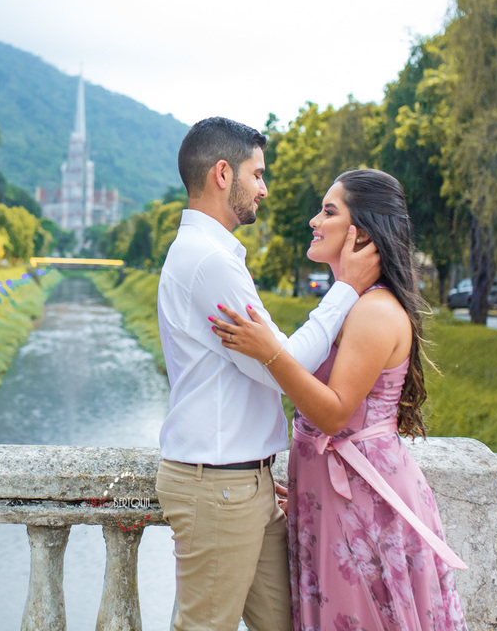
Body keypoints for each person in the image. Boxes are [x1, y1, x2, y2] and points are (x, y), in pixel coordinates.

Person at [209, 168, 468, 631]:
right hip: (333, 492)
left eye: (328, 211)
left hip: (364, 498)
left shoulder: (373, 311)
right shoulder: (351, 303)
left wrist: (270, 352)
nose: (314, 221)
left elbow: (332, 414)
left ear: (360, 233)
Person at [156, 118, 381, 631]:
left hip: (245, 480)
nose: (264, 189)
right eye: (257, 175)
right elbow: (287, 364)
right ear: (222, 174)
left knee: (285, 622)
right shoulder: (208, 262)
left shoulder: (212, 256)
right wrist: (346, 289)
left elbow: (273, 358)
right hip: (219, 483)